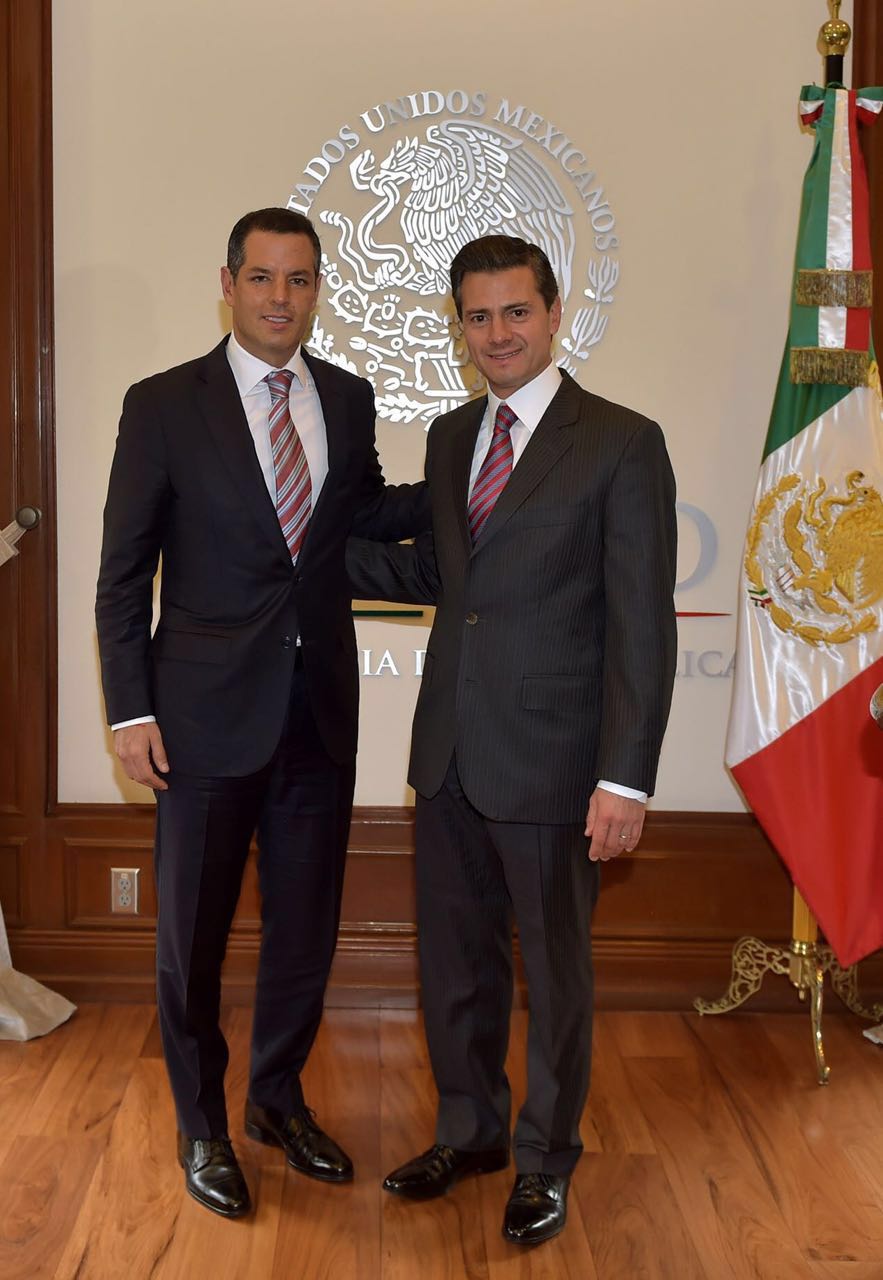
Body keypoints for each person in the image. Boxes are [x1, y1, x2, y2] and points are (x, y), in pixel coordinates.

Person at [95, 207, 428, 1219]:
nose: (281, 298)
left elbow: (361, 515)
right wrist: (129, 710)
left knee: (304, 929)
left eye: (299, 279)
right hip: (198, 720)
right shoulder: (163, 404)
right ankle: (201, 1123)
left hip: (316, 713)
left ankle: (275, 1099)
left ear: (318, 288)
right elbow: (123, 574)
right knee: (191, 937)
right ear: (228, 284)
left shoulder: (348, 397)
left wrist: (467, 476)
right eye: (262, 277)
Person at [348, 234, 677, 1246]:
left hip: (555, 762)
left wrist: (624, 778)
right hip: (447, 750)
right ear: (460, 326)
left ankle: (544, 1159)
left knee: (555, 974)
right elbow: (449, 576)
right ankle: (470, 1132)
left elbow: (641, 624)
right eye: (479, 316)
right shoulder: (453, 436)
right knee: (455, 965)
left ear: (554, 312)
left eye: (516, 312)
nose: (497, 333)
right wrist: (300, 554)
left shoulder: (620, 441)